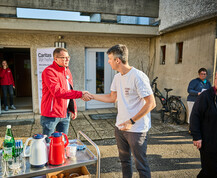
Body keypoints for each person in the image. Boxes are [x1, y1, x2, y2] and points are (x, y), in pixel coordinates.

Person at [92, 44, 156, 178]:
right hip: (120, 127)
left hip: (136, 129)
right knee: (124, 161)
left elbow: (151, 103)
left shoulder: (138, 76)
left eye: (110, 59)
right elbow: (112, 97)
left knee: (141, 165)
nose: (108, 61)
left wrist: (131, 121)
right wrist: (92, 96)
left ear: (117, 60)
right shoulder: (117, 77)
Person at [40, 48, 92, 142]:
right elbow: (57, 92)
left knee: (62, 142)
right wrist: (80, 94)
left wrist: (73, 108)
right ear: (55, 59)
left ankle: (60, 157)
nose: (67, 60)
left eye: (68, 57)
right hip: (51, 115)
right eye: (63, 58)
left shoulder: (67, 71)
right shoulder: (49, 72)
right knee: (48, 143)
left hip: (65, 113)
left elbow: (69, 90)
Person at [190, 65, 217, 177]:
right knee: (211, 170)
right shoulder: (206, 96)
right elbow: (195, 116)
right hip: (210, 141)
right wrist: (196, 136)